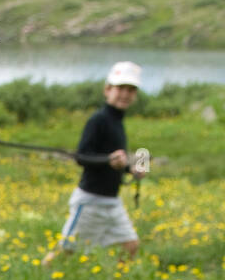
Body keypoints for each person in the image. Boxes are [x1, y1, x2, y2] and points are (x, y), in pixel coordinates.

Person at [41, 61, 148, 265]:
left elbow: (113, 161)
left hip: (112, 201)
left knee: (131, 246)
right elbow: (82, 156)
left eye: (131, 89)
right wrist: (109, 161)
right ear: (107, 89)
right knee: (66, 253)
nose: (126, 94)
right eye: (121, 88)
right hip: (90, 200)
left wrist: (130, 169)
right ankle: (43, 277)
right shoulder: (98, 120)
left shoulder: (117, 121)